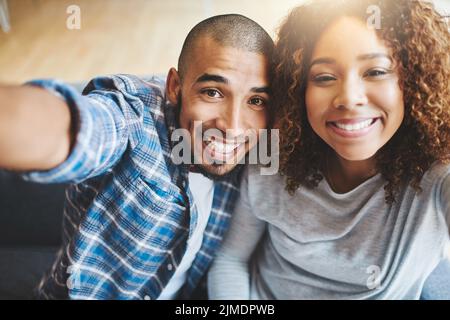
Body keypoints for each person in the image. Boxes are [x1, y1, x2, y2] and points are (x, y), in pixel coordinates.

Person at [0, 14, 273, 299]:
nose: (233, 127)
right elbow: (76, 128)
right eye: (213, 92)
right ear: (175, 87)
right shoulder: (134, 118)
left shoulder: (261, 148)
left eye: (255, 101)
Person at [208, 0, 450, 299]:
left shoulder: (437, 175)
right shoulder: (274, 157)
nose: (348, 98)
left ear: (413, 81)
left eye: (375, 71)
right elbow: (231, 260)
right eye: (324, 77)